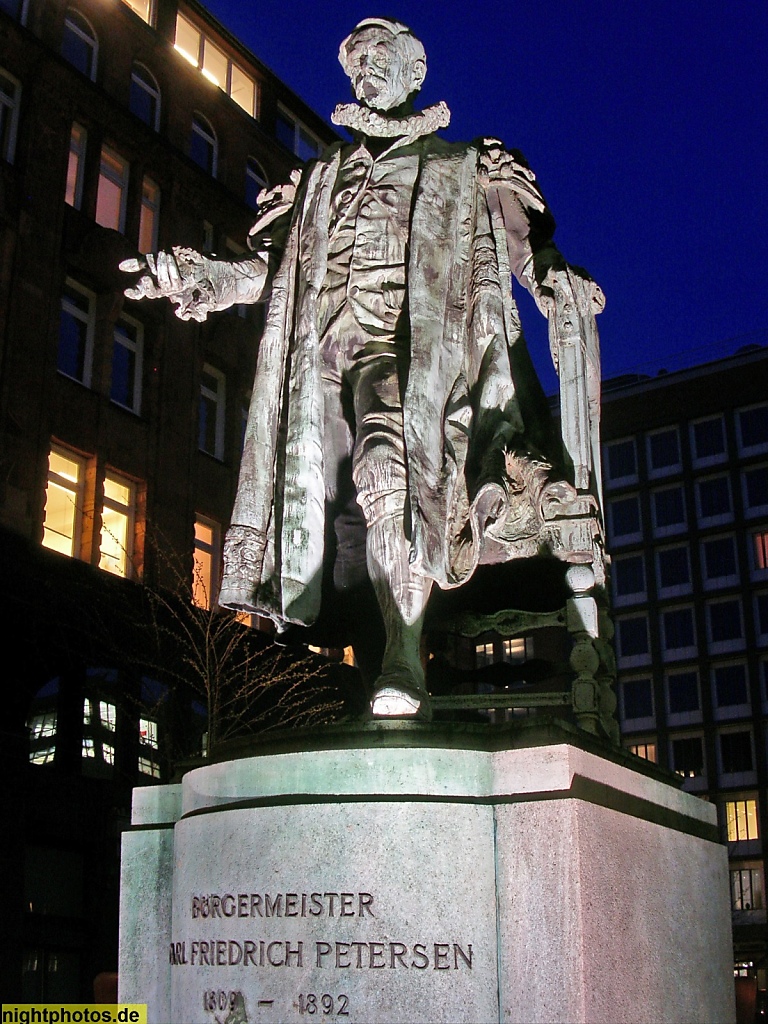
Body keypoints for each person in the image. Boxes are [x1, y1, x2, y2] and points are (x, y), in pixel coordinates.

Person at [121, 17, 603, 720]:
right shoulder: (317, 181)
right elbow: (269, 271)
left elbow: (526, 244)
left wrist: (555, 280)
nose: (365, 69)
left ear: (415, 74)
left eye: (382, 57)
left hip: (416, 357)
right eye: (356, 61)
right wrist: (201, 276)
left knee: (386, 464)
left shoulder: (466, 164)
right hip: (319, 364)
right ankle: (383, 648)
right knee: (334, 507)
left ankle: (403, 654)